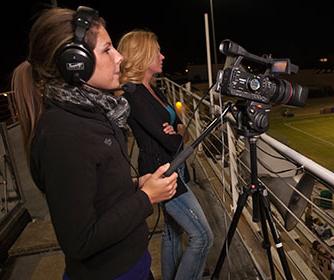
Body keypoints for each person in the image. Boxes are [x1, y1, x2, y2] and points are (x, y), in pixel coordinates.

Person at [11, 7, 178, 279]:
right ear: (75, 62)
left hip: (134, 265)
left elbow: (96, 189)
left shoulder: (94, 113)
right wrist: (147, 198)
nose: (119, 57)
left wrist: (136, 185)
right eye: (107, 49)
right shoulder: (62, 134)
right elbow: (80, 240)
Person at [117, 30, 213, 280]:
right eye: (157, 51)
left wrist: (179, 132)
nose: (162, 55)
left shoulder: (154, 90)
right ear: (143, 55)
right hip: (161, 172)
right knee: (202, 237)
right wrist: (179, 134)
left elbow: (180, 126)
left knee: (172, 233)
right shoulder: (133, 94)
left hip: (175, 167)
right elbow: (171, 141)